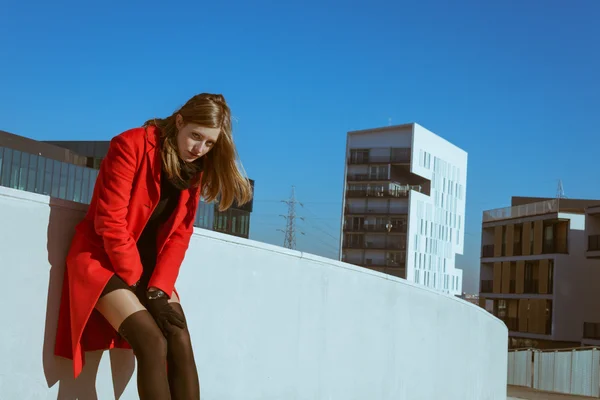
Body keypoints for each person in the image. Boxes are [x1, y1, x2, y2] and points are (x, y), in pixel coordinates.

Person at [54, 93, 253, 399]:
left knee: (179, 337)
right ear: (180, 121)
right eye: (195, 136)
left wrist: (159, 290)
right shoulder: (131, 144)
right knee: (151, 341)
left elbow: (179, 235)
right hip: (103, 259)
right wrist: (137, 281)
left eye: (209, 144)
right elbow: (109, 222)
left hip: (150, 269)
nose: (199, 149)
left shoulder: (194, 169)